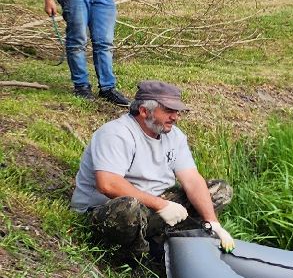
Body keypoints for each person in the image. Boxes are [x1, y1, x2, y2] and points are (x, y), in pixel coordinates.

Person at [72, 81, 233, 263]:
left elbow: (192, 180)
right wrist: (161, 205)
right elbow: (107, 184)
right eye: (168, 111)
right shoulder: (116, 134)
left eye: (177, 112)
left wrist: (213, 222)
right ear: (144, 111)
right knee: (128, 208)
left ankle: (182, 236)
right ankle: (139, 259)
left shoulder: (174, 135)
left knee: (219, 190)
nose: (175, 117)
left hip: (154, 203)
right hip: (107, 210)